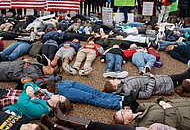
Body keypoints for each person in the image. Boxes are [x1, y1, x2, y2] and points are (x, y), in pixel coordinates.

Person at [40, 101, 176, 130]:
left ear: (127, 122)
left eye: (122, 112)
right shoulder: (143, 108)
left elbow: (173, 123)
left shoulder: (140, 122)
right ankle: (59, 122)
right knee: (96, 126)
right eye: (122, 112)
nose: (124, 110)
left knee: (96, 126)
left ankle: (59, 123)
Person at [103, 68, 190, 98]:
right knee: (183, 77)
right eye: (114, 81)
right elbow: (147, 94)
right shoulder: (128, 91)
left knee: (182, 76)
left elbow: (140, 79)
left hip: (161, 79)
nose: (115, 79)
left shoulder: (123, 81)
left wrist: (146, 74)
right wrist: (152, 79)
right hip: (164, 85)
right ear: (115, 87)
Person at [3, 81, 70, 120]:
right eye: (60, 95)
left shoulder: (41, 111)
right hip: (8, 91)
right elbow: (34, 85)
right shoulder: (46, 96)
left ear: (56, 106)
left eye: (59, 98)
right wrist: (29, 86)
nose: (58, 95)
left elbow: (23, 104)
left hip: (5, 101)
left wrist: (27, 92)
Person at [113, 98, 190, 129]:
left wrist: (160, 101)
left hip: (183, 104)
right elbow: (169, 128)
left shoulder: (139, 108)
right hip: (185, 117)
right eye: (122, 113)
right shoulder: (143, 125)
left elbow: (155, 103)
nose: (124, 110)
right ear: (126, 122)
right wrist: (169, 109)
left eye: (122, 110)